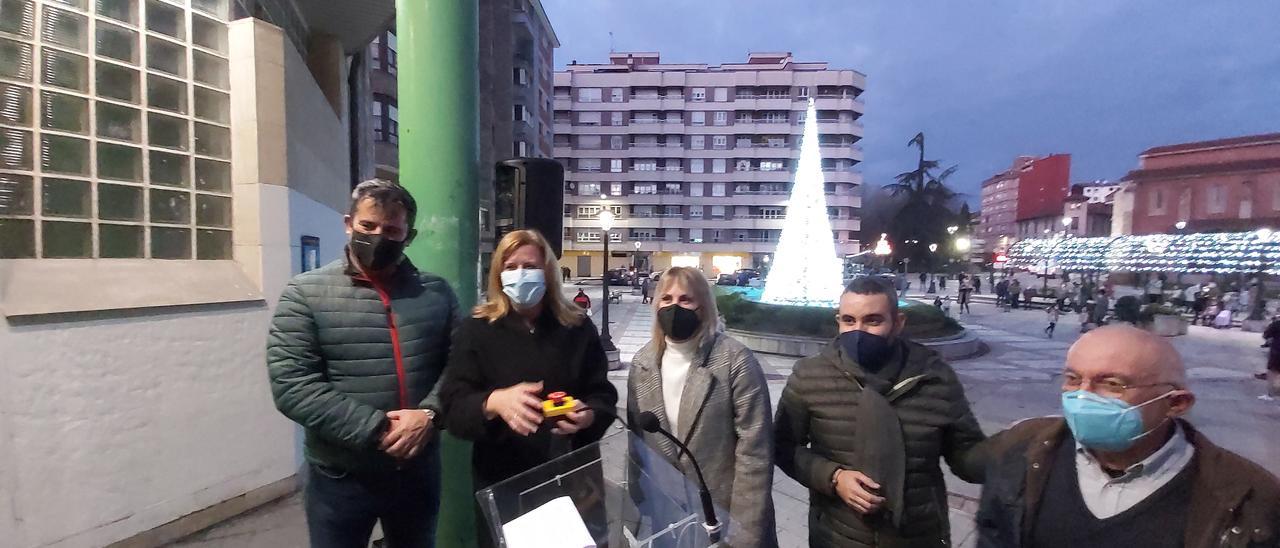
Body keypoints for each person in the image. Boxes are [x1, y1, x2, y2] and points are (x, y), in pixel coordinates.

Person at [267, 180, 456, 548]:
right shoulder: (305, 293)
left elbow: (461, 364)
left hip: (416, 471)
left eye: (391, 230)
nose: (378, 237)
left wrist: (430, 415)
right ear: (348, 223)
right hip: (341, 477)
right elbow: (292, 384)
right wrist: (377, 428)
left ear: (408, 235)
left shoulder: (436, 293)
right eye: (368, 226)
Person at [975, 325, 1280, 547]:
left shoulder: (1247, 494)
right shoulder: (1022, 448)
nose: (1082, 397)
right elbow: (993, 533)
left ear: (1175, 403)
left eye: (1111, 384)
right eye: (1072, 379)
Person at [775, 276, 987, 547]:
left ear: (898, 323)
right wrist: (833, 477)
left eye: (873, 320)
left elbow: (965, 455)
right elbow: (782, 445)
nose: (858, 331)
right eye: (848, 320)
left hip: (919, 536)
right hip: (837, 536)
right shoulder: (810, 376)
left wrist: (1008, 451)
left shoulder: (933, 376)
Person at [438, 229, 618, 547]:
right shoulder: (476, 330)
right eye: (511, 267)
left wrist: (589, 417)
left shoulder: (576, 327)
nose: (520, 274)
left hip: (572, 478)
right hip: (504, 482)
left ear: (547, 272)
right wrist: (493, 402)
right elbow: (453, 407)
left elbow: (602, 394)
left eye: (530, 266)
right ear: (498, 275)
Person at [627, 267, 778, 547]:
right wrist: (637, 511)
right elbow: (637, 443)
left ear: (704, 307)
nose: (675, 307)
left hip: (726, 519)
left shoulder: (736, 361)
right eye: (667, 298)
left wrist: (742, 536)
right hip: (668, 520)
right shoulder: (642, 363)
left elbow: (755, 455)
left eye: (686, 299)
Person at [1262, 317, 1280, 400]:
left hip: (1277, 351)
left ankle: (1270, 394)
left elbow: (1266, 335)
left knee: (1272, 372)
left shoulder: (1276, 324)